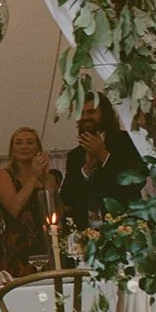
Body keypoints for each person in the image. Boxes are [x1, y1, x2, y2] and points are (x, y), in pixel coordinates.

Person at [60, 94, 147, 228]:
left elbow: (136, 182)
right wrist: (86, 169)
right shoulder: (75, 155)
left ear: (105, 114)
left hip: (126, 228)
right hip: (88, 233)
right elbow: (67, 198)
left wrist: (103, 155)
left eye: (91, 112)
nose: (85, 117)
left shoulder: (128, 141)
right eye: (82, 113)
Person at [0, 127, 53, 278]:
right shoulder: (4, 176)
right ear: (12, 149)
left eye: (29, 143)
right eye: (19, 143)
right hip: (19, 247)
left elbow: (54, 209)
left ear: (38, 148)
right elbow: (13, 209)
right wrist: (32, 178)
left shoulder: (47, 177)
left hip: (46, 243)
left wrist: (44, 175)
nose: (24, 147)